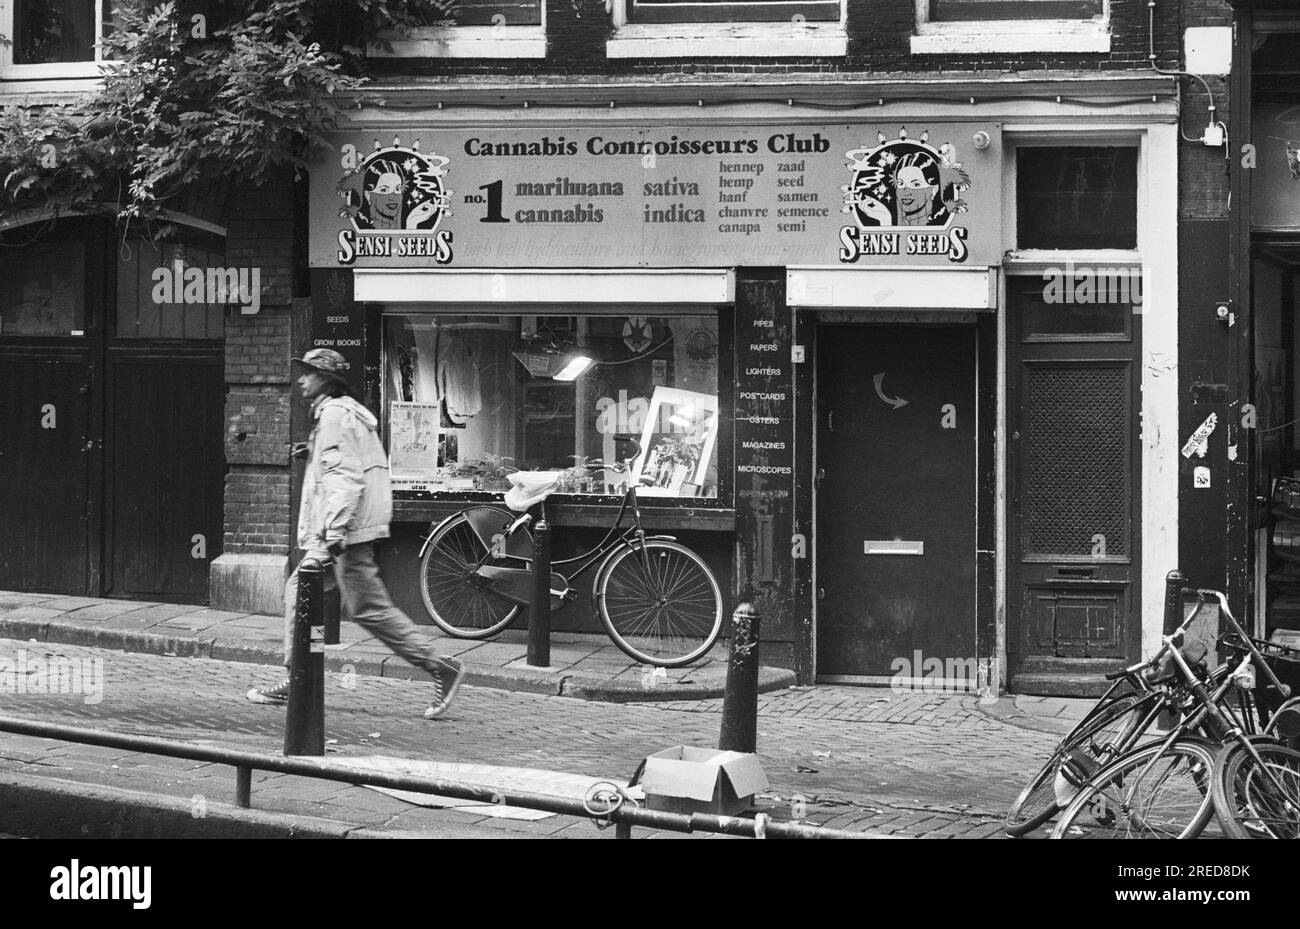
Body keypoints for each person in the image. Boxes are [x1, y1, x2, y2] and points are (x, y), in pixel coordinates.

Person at [246, 348, 466, 718]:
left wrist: (334, 535)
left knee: (366, 608)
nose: (301, 379)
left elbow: (345, 480)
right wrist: (312, 454)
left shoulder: (334, 416)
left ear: (325, 380)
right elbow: (348, 465)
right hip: (351, 529)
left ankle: (439, 665)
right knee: (303, 594)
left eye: (308, 373)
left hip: (345, 533)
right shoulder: (341, 414)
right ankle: (297, 676)